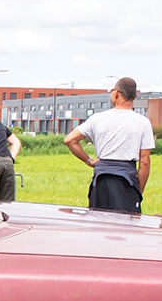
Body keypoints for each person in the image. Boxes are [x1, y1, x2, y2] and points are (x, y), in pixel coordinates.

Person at [62, 76, 154, 213]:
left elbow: (69, 140)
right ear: (135, 96)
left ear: (116, 93)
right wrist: (138, 192)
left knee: (99, 224)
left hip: (101, 179)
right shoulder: (143, 122)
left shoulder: (98, 118)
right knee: (129, 226)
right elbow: (145, 162)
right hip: (127, 180)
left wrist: (89, 161)